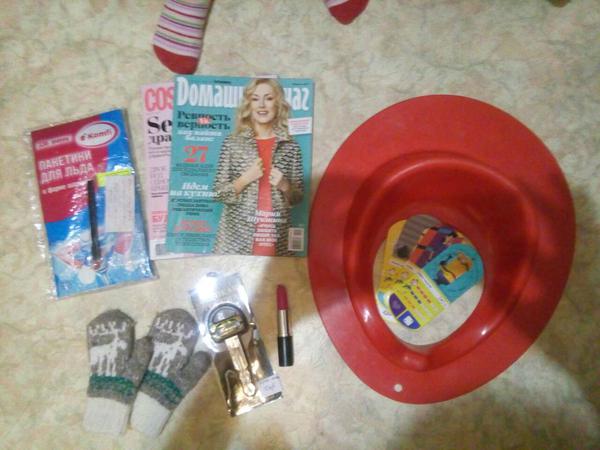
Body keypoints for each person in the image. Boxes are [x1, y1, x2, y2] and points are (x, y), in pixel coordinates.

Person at [212, 78, 304, 256]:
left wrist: (285, 185)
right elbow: (218, 194)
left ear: (278, 103)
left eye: (268, 98)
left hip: (277, 240)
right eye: (255, 99)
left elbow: (297, 198)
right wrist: (245, 179)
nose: (262, 105)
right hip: (235, 241)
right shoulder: (232, 143)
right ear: (249, 105)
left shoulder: (290, 146)